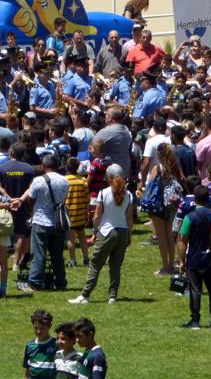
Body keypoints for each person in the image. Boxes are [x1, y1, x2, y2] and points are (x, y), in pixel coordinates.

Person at [70, 164, 133, 305]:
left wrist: (95, 230)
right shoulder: (128, 194)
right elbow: (129, 217)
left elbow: (97, 215)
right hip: (122, 232)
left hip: (107, 231)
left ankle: (85, 295)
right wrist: (130, 234)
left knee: (95, 264)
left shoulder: (103, 193)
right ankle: (112, 296)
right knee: (116, 266)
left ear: (108, 178)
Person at [15, 156, 68, 291]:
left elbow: (31, 199)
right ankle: (61, 281)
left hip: (41, 220)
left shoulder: (38, 181)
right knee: (57, 254)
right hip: (58, 222)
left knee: (39, 254)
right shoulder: (64, 180)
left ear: (44, 166)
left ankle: (35, 282)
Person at [178, 185, 211, 329]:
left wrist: (181, 261)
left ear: (195, 199)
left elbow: (182, 241)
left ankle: (195, 320)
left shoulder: (189, 217)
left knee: (195, 290)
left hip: (194, 259)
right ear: (208, 198)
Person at [23, 309, 57, 379]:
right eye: (36, 328)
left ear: (49, 326)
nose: (38, 331)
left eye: (42, 328)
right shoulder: (30, 345)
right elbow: (27, 371)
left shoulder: (56, 345)